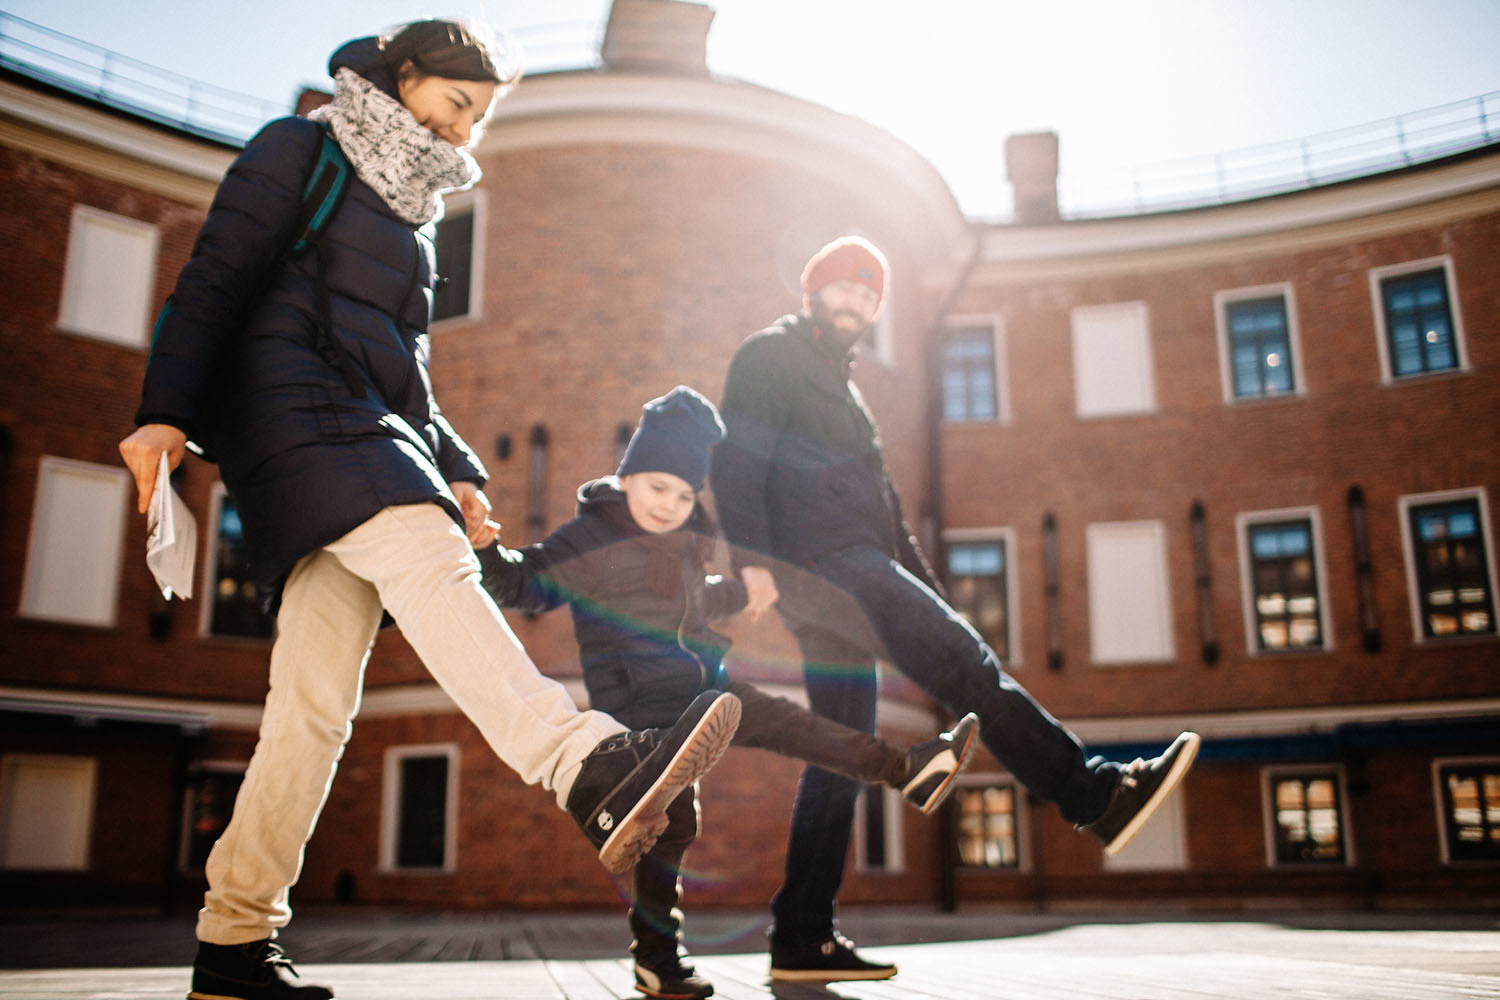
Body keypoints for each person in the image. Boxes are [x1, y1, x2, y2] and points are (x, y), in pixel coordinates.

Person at [117, 22, 740, 1000]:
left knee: (315, 708)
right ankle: (586, 761)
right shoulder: (305, 148)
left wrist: (458, 466)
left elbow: (409, 369)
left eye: (480, 117)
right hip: (293, 413)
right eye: (456, 104)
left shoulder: (415, 217)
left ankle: (233, 938)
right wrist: (164, 412)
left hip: (367, 426)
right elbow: (217, 274)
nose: (465, 130)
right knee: (428, 558)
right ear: (405, 77)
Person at [710, 236, 1201, 983]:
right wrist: (751, 560)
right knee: (967, 666)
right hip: (824, 566)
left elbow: (890, 515)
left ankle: (801, 936)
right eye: (844, 287)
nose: (858, 302)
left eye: (870, 294)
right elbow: (737, 459)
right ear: (812, 291)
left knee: (840, 753)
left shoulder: (848, 392)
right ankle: (1093, 794)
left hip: (856, 566)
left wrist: (931, 596)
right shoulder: (768, 357)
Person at [476, 385, 979, 1000]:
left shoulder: (685, 545)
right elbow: (524, 584)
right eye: (658, 487)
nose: (669, 505)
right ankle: (657, 958)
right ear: (629, 477)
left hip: (708, 693)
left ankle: (908, 769)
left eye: (685, 494)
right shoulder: (590, 541)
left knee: (797, 725)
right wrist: (484, 550)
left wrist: (742, 593)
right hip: (643, 713)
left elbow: (700, 599)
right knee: (674, 827)